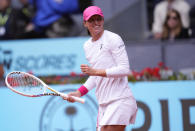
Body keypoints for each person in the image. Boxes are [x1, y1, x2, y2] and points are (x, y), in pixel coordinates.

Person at [65, 6, 137, 131]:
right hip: (103, 105)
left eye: (99, 19)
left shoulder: (113, 39)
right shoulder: (87, 46)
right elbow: (95, 77)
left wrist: (95, 71)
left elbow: (124, 69)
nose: (96, 23)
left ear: (103, 20)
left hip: (120, 100)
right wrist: (79, 92)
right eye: (92, 20)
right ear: (85, 24)